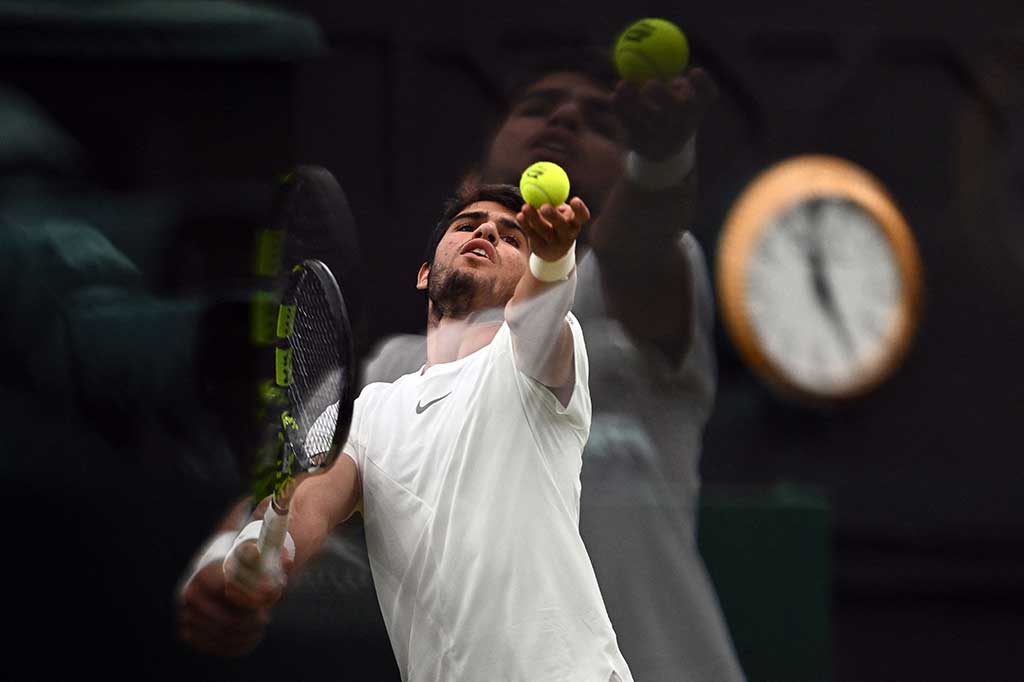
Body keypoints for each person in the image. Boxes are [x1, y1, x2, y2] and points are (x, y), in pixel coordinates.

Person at [362, 47, 746, 681]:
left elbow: (638, 241)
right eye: (539, 107)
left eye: (600, 122)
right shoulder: (391, 375)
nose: (565, 118)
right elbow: (309, 491)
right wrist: (236, 559)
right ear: (470, 179)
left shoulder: (641, 274)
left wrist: (660, 162)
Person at [179, 182, 637, 681]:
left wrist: (551, 261)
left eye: (512, 238)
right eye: (468, 225)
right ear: (424, 274)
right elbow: (308, 504)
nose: (486, 232)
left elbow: (539, 311)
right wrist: (249, 564)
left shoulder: (540, 358)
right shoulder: (370, 413)